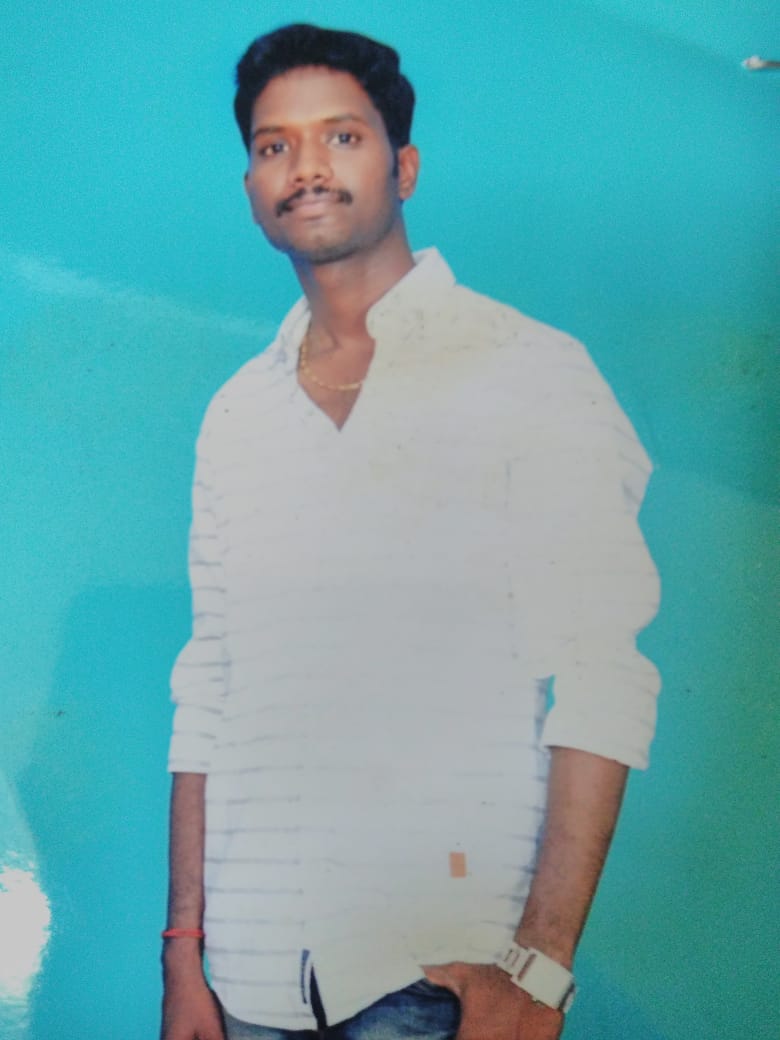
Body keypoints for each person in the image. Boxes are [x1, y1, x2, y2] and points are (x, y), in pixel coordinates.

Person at [160, 23, 661, 1040]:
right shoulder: (237, 414)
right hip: (245, 982)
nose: (306, 166)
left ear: (405, 167)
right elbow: (209, 683)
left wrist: (540, 968)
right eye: (274, 145)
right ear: (252, 187)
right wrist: (182, 953)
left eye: (341, 136)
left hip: (441, 973)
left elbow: (602, 672)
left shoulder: (532, 369)